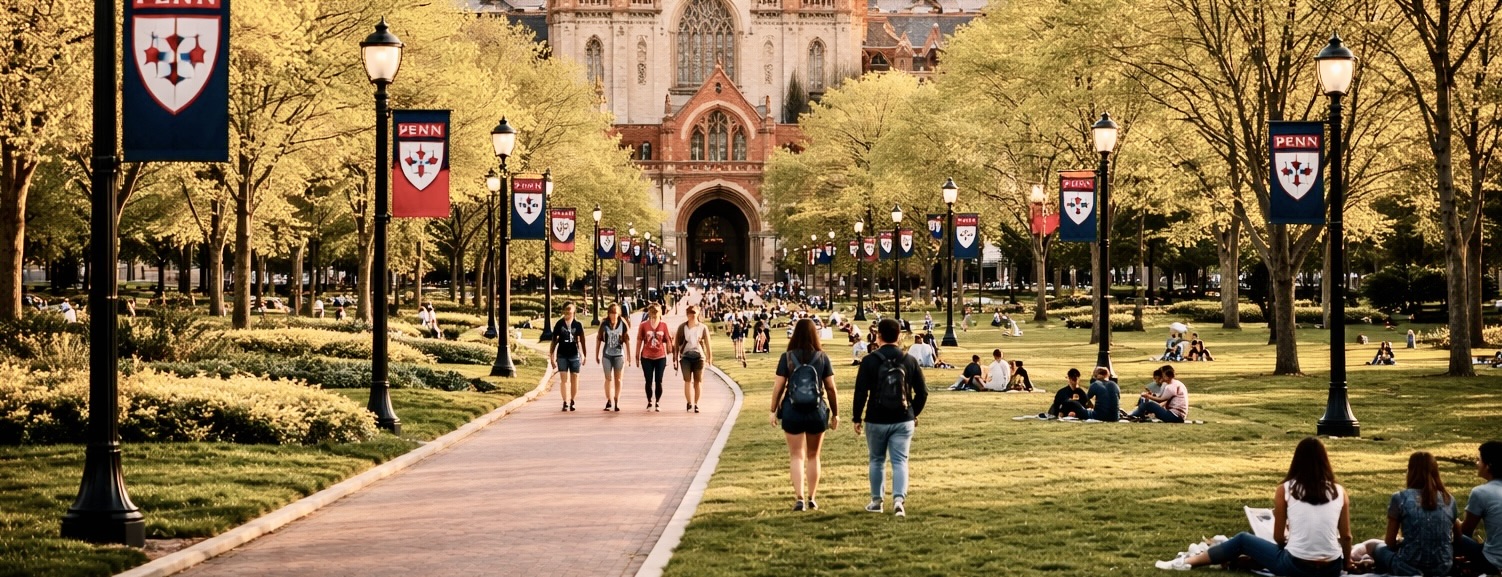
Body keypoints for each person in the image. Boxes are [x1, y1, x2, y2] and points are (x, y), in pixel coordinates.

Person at [1156, 437, 1354, 575]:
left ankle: (1187, 562)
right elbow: (1346, 536)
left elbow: (1278, 538)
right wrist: (1346, 564)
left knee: (1243, 539)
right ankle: (1230, 560)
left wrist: (1289, 543)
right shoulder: (1339, 491)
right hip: (1331, 569)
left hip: (1296, 566)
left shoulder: (1286, 489)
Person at [852, 318, 927, 518]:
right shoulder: (909, 360)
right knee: (900, 460)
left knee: (877, 460)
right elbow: (922, 392)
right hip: (903, 418)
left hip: (876, 418)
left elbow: (860, 392)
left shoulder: (869, 361)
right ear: (899, 336)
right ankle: (899, 500)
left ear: (878, 336)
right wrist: (913, 412)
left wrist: (857, 417)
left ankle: (877, 501)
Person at [769, 318, 839, 511]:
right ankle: (812, 497)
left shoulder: (787, 357)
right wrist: (835, 414)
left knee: (796, 456)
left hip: (792, 410)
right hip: (816, 411)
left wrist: (773, 410)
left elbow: (778, 386)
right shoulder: (822, 357)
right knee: (813, 455)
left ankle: (799, 498)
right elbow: (831, 388)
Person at [1351, 451, 1458, 577]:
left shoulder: (1400, 498)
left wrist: (1405, 541)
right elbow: (1458, 537)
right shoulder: (1449, 500)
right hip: (1443, 567)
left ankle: (1359, 561)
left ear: (1410, 471)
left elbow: (1389, 542)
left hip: (1407, 567)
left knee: (1373, 545)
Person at [1457, 441, 1502, 576]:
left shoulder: (1481, 492)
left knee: (1450, 537)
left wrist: (1452, 521)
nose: (1477, 464)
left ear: (1488, 466)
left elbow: (1465, 531)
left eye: (1479, 460)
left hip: (1494, 562)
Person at [550, 303, 588, 412]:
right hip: (562, 354)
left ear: (573, 313)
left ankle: (572, 400)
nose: (567, 314)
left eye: (569, 312)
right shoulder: (559, 324)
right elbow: (554, 340)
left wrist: (584, 355)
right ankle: (565, 401)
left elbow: (583, 341)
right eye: (565, 312)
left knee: (574, 378)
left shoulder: (578, 325)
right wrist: (552, 356)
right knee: (563, 379)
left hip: (574, 354)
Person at [675, 305, 713, 413]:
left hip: (699, 357)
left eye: (694, 313)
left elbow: (708, 343)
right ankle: (689, 402)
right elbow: (676, 343)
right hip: (685, 357)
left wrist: (709, 357)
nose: (691, 316)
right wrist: (675, 358)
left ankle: (696, 404)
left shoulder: (702, 327)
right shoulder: (682, 327)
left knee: (698, 381)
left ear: (698, 314)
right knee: (687, 380)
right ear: (687, 315)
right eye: (689, 313)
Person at [635, 303, 672, 411]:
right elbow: (639, 339)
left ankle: (658, 402)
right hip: (646, 357)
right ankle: (649, 401)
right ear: (649, 313)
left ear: (660, 313)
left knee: (659, 380)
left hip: (660, 356)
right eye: (652, 313)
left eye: (656, 312)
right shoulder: (644, 325)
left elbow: (668, 339)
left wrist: (670, 353)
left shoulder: (663, 325)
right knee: (648, 380)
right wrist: (637, 355)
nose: (654, 315)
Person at [595, 303, 630, 412]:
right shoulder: (604, 324)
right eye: (612, 313)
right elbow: (599, 339)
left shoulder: (622, 324)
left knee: (618, 379)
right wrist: (597, 354)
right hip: (607, 355)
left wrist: (629, 357)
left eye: (615, 313)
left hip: (619, 355)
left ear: (619, 314)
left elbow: (627, 340)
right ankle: (609, 400)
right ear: (608, 314)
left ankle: (616, 399)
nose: (614, 315)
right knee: (608, 378)